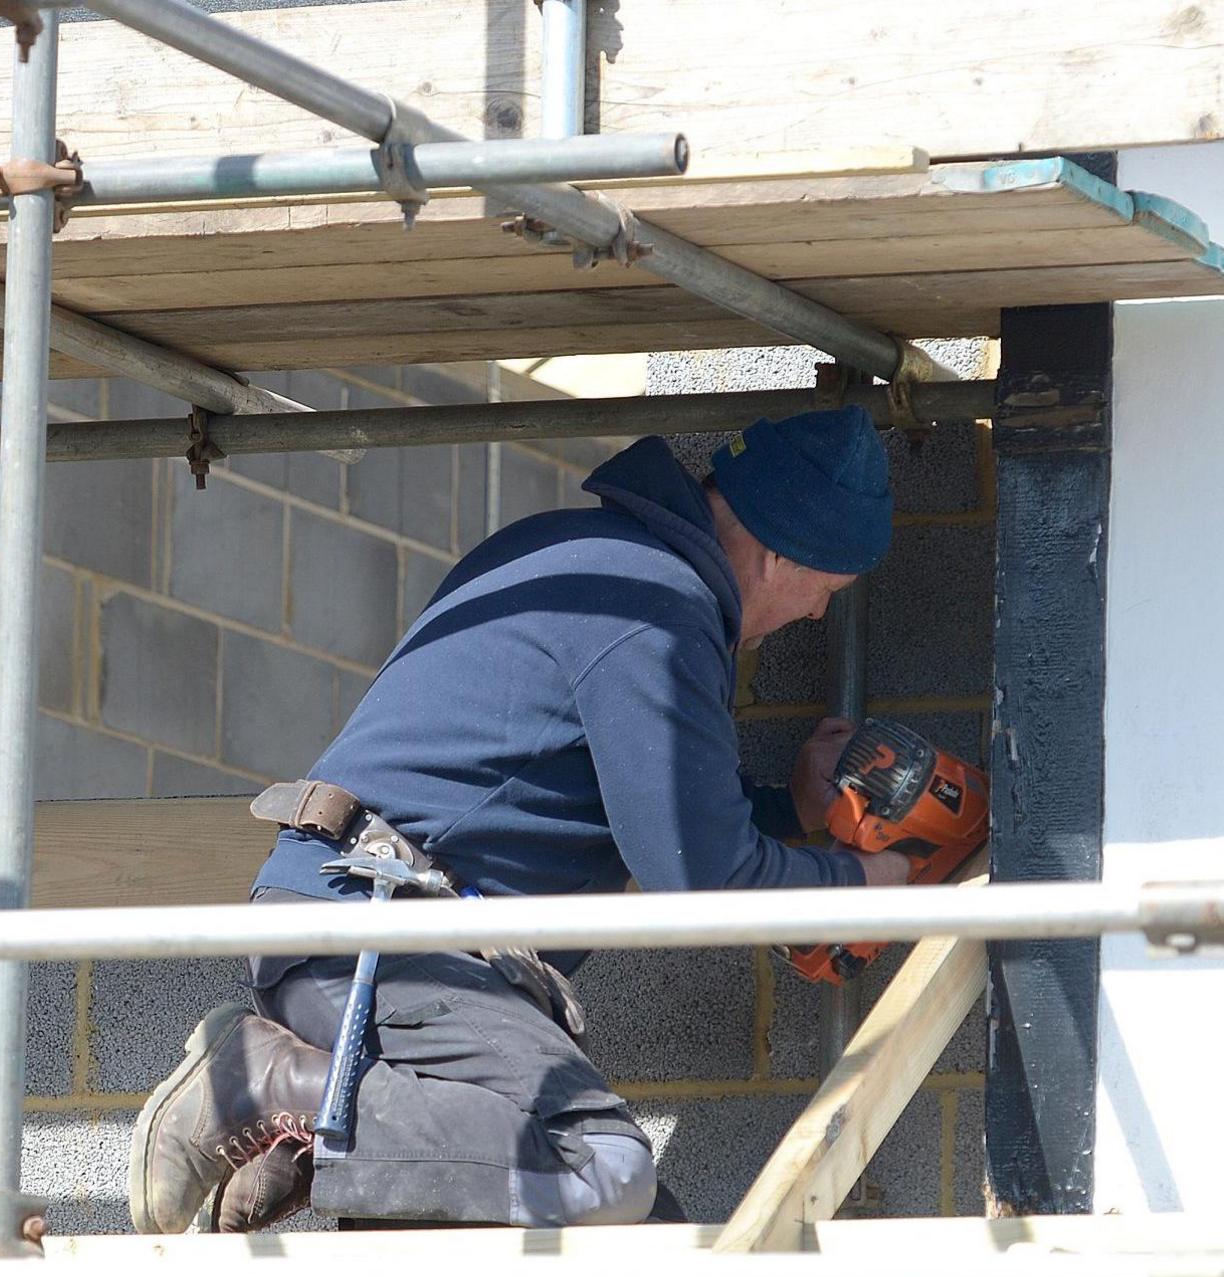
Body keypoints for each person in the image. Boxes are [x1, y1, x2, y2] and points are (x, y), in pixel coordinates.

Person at [127, 406, 913, 1235]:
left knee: (643, 1268)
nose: (821, 614)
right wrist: (869, 883)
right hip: (381, 933)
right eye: (826, 589)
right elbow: (702, 874)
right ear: (782, 544)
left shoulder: (605, 569)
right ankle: (264, 1085)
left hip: (376, 929)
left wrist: (792, 808)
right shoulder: (651, 607)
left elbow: (648, 801)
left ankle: (326, 1134)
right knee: (599, 1168)